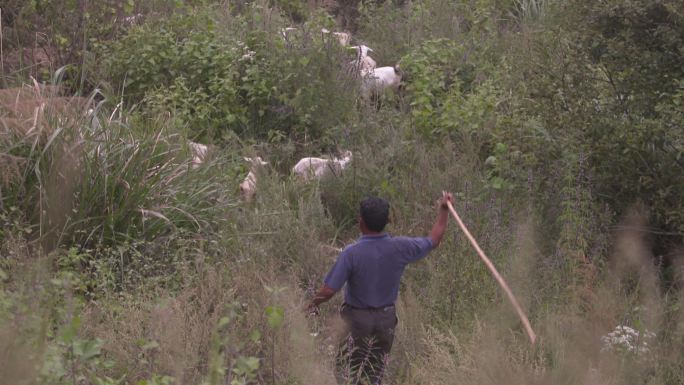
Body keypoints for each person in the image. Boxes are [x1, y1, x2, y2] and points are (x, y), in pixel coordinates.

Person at [306, 191, 453, 385]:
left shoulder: (352, 253)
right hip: (386, 321)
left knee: (347, 374)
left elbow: (328, 291)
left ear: (360, 222)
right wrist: (444, 211)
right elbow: (434, 240)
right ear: (387, 221)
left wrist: (311, 304)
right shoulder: (400, 247)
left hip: (357, 322)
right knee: (374, 375)